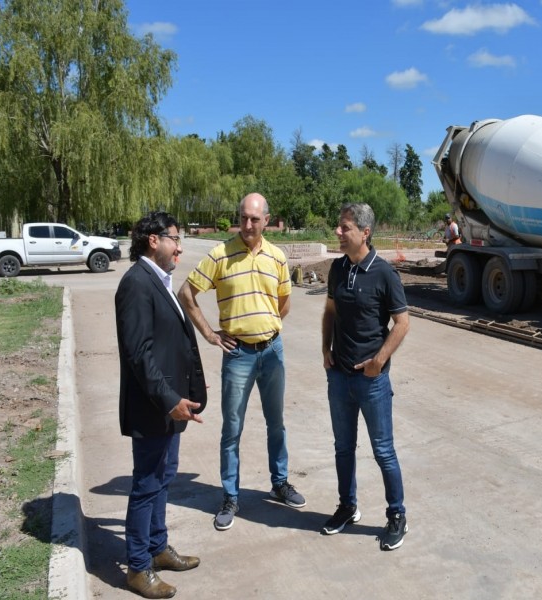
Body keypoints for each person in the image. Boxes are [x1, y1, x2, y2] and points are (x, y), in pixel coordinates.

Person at [177, 192, 305, 532]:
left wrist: (266, 326)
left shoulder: (277, 258)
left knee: (276, 422)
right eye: (243, 218)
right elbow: (186, 294)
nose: (248, 225)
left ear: (266, 220)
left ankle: (280, 484)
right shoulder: (220, 255)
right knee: (232, 429)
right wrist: (209, 333)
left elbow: (284, 303)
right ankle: (231, 496)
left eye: (254, 219)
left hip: (272, 352)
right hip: (237, 356)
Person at [116, 211, 207, 599]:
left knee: (163, 478)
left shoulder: (158, 279)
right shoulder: (136, 283)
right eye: (175, 239)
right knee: (147, 484)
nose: (180, 247)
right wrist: (170, 401)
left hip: (170, 407)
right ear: (154, 240)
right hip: (155, 407)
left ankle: (157, 548)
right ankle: (137, 568)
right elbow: (138, 354)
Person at [320, 202, 411, 551]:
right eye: (339, 227)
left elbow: (402, 322)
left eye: (345, 228)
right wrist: (325, 349)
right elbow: (329, 311)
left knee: (383, 451)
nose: (338, 233)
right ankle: (347, 506)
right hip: (339, 379)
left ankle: (397, 515)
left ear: (364, 232)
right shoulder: (337, 269)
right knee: (343, 448)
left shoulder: (384, 273)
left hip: (372, 382)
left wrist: (379, 360)